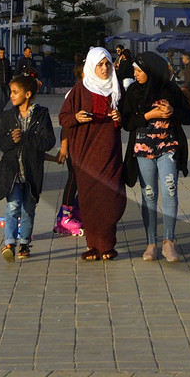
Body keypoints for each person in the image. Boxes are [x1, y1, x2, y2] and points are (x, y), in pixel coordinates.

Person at [122, 51, 190, 262]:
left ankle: (169, 242)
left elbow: (188, 116)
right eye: (134, 70)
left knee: (170, 190)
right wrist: (148, 115)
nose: (135, 74)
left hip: (168, 148)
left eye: (138, 70)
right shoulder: (134, 91)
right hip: (143, 150)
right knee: (149, 194)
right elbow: (127, 123)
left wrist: (172, 111)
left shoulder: (170, 89)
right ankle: (151, 243)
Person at [58, 47, 127, 260]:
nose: (105, 68)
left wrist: (120, 116)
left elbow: (128, 118)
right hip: (85, 154)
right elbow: (63, 118)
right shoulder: (80, 90)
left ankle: (107, 245)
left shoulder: (117, 89)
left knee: (110, 198)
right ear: (91, 66)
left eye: (107, 64)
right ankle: (93, 246)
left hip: (109, 153)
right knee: (88, 200)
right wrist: (77, 117)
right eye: (100, 64)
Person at [0, 73, 56, 261]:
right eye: (11, 92)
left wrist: (26, 137)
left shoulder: (41, 114)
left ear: (27, 94)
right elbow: (2, 144)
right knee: (13, 207)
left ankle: (25, 243)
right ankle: (9, 244)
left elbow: (48, 141)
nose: (11, 96)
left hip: (31, 172)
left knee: (28, 209)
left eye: (15, 92)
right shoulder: (7, 116)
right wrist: (11, 140)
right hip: (11, 172)